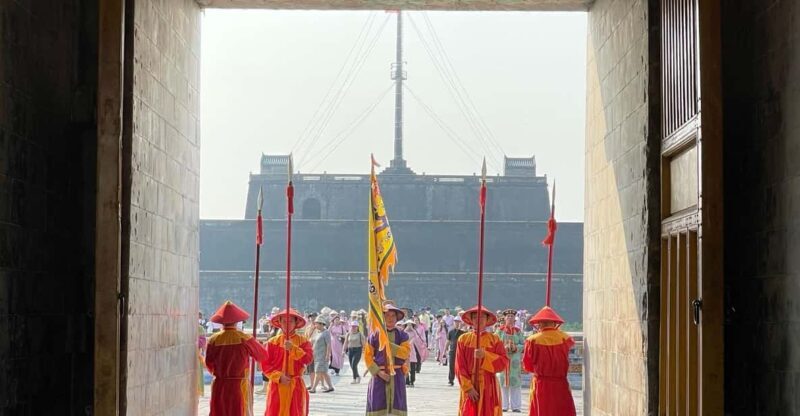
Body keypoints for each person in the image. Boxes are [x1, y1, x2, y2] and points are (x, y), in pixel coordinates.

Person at [205, 300, 268, 416]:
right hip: (239, 386)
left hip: (220, 385)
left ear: (221, 322)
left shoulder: (213, 340)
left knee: (219, 411)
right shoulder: (244, 338)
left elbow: (209, 364)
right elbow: (263, 355)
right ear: (237, 321)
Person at [455, 306, 509, 416]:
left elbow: (503, 362)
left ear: (487, 319)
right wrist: (468, 388)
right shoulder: (463, 339)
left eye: (482, 317)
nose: (478, 320)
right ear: (471, 320)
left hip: (489, 385)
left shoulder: (494, 340)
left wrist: (486, 356)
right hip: (469, 383)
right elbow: (459, 366)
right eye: (475, 317)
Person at [522, 306, 576, 416]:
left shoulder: (532, 340)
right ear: (554, 323)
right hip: (561, 383)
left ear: (540, 323)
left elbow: (527, 366)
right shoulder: (565, 338)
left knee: (542, 410)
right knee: (560, 411)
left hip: (541, 383)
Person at [262, 308, 313, 416]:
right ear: (279, 322)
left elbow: (308, 359)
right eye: (284, 321)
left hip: (296, 385)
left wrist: (293, 348)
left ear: (296, 323)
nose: (287, 324)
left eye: (290, 321)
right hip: (277, 385)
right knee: (274, 412)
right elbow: (265, 365)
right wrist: (278, 377)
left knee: (296, 412)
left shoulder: (303, 341)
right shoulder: (272, 342)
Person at [365, 302, 411, 415]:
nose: (390, 318)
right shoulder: (374, 335)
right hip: (379, 376)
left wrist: (388, 344)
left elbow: (405, 353)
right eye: (387, 316)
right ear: (382, 317)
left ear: (397, 318)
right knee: (377, 406)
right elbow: (367, 357)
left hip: (397, 375)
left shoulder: (402, 335)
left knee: (397, 406)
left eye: (392, 316)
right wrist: (379, 373)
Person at [496, 309, 525, 413]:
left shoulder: (518, 331)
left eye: (511, 316)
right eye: (507, 316)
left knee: (515, 383)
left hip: (514, 362)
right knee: (502, 383)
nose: (509, 318)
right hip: (503, 359)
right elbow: (495, 343)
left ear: (514, 318)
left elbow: (523, 344)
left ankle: (516, 406)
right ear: (504, 318)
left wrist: (515, 347)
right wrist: (504, 347)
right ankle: (503, 405)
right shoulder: (499, 330)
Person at [308, 315, 334, 393]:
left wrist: (327, 355)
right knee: (324, 372)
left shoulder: (326, 333)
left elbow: (329, 344)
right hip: (316, 355)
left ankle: (313, 388)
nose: (315, 325)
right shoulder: (316, 332)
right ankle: (330, 387)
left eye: (317, 324)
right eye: (315, 323)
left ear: (322, 324)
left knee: (318, 372)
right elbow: (311, 341)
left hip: (322, 356)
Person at [403, 319, 428, 387]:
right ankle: (407, 381)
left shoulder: (414, 332)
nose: (409, 326)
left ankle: (412, 381)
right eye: (408, 324)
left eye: (411, 325)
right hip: (405, 352)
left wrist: (412, 329)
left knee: (413, 367)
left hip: (412, 351)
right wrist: (406, 328)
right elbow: (402, 336)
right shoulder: (404, 332)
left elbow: (416, 338)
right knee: (406, 367)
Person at [445, 316, 465, 386]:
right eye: (455, 322)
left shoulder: (463, 333)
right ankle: (451, 380)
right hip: (452, 351)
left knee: (461, 367)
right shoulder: (451, 332)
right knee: (451, 366)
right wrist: (445, 350)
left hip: (460, 352)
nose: (457, 323)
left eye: (458, 322)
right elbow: (448, 341)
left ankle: (462, 381)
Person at [328, 312, 347, 376]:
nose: (337, 321)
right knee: (333, 356)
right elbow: (327, 332)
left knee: (339, 357)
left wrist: (340, 336)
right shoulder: (332, 327)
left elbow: (346, 336)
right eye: (336, 320)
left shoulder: (342, 327)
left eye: (338, 320)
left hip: (339, 344)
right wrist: (331, 325)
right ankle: (333, 369)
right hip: (333, 344)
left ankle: (337, 371)